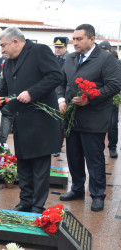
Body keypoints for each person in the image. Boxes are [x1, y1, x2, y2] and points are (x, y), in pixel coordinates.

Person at [0, 27, 62, 213]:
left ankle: (38, 206)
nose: (2, 49)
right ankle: (25, 201)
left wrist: (32, 93)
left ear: (16, 41)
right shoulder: (8, 63)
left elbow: (56, 76)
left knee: (39, 167)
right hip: (21, 122)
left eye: (3, 45)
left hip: (41, 122)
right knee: (23, 165)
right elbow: (4, 93)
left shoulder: (39, 51)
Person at [57, 24, 121, 212]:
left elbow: (114, 86)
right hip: (72, 118)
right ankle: (77, 188)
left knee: (94, 159)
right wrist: (61, 100)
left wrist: (89, 98)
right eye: (74, 39)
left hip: (93, 117)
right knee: (73, 156)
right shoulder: (70, 58)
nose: (74, 42)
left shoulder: (106, 59)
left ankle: (97, 194)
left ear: (92, 39)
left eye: (79, 39)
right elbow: (61, 82)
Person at [99, 40, 121, 158]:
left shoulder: (117, 63)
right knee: (99, 124)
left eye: (105, 50)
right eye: (101, 50)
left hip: (113, 97)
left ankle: (112, 147)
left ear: (110, 51)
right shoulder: (96, 62)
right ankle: (99, 147)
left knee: (112, 124)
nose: (104, 53)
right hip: (99, 97)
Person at [53, 36, 69, 157]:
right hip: (52, 93)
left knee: (60, 122)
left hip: (63, 94)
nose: (57, 50)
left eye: (60, 47)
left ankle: (57, 146)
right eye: (56, 47)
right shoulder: (53, 58)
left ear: (66, 47)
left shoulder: (70, 59)